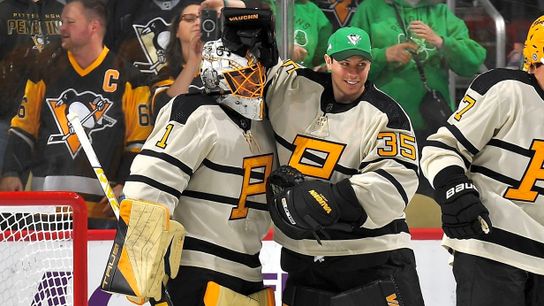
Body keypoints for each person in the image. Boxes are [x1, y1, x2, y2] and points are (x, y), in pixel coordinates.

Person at [111, 11, 278, 304]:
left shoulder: (268, 124)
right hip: (197, 272)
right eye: (244, 74)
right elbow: (146, 187)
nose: (255, 80)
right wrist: (139, 269)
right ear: (218, 72)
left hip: (251, 273)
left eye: (258, 71)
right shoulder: (194, 112)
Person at [420, 15, 544, 306]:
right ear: (536, 60)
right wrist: (454, 188)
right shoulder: (506, 89)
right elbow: (442, 147)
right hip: (492, 246)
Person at [0, 0, 153, 229]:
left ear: (93, 27)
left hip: (104, 214)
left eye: (70, 22)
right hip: (46, 210)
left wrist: (126, 181)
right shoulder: (44, 69)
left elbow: (138, 142)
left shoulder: (129, 78)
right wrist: (11, 171)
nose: (62, 28)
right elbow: (24, 127)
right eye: (62, 21)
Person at [349, 0, 486, 139]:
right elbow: (348, 62)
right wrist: (383, 55)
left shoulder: (441, 12)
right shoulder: (370, 9)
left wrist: (441, 42)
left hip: (432, 123)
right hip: (382, 122)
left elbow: (472, 61)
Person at [0, 0, 64, 176]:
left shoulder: (61, 10)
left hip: (52, 119)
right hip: (9, 117)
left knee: (44, 192)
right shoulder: (4, 10)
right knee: (7, 186)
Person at [150, 0, 204, 120]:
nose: (197, 22)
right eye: (190, 19)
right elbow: (163, 111)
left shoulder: (227, 66)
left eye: (204, 18)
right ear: (177, 31)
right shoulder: (167, 73)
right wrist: (193, 61)